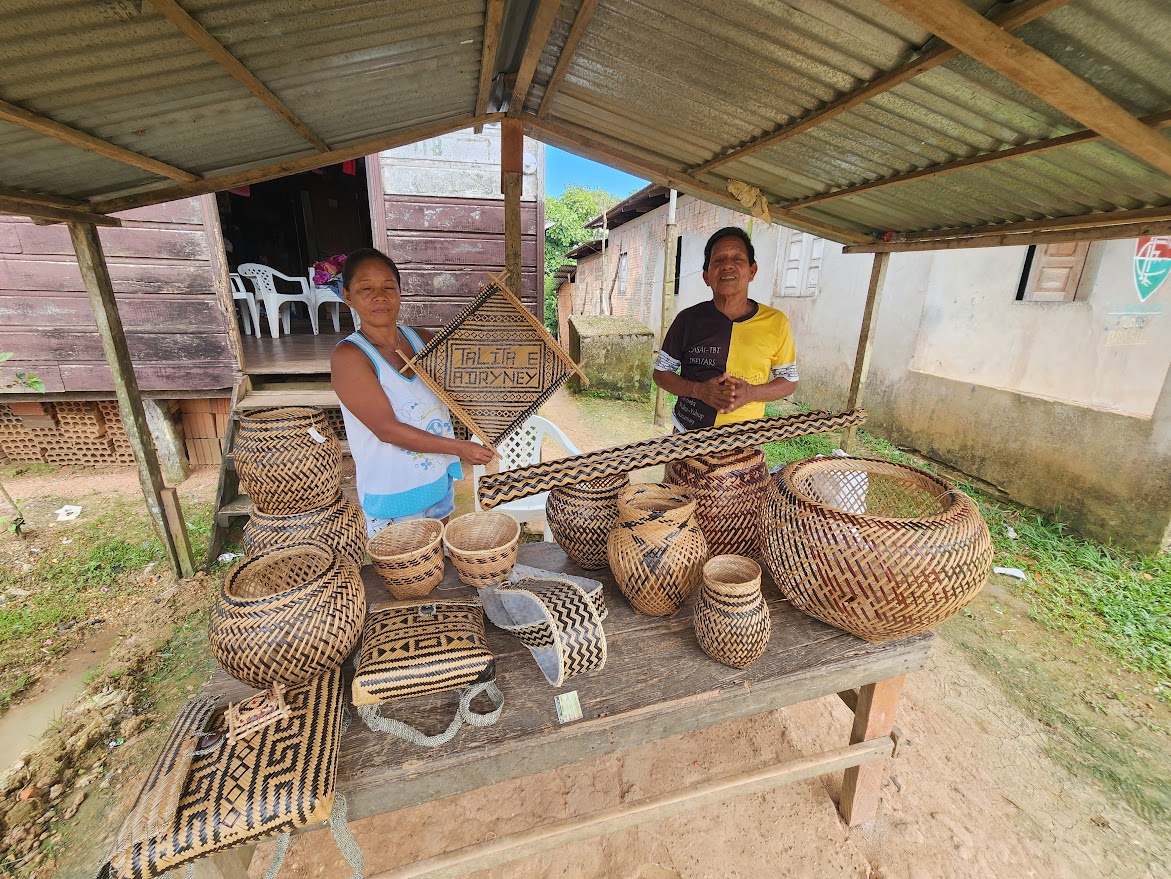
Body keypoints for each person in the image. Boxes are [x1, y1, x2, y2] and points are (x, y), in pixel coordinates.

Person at [331, 247, 495, 537]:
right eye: (366, 289)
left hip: (436, 481)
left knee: (440, 556)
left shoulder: (422, 339)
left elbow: (465, 377)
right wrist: (460, 448)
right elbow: (387, 430)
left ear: (399, 292)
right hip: (394, 492)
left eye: (388, 287)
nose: (379, 296)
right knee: (406, 564)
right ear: (348, 296)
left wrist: (485, 317)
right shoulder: (350, 357)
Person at [653, 227, 798, 432]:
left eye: (737, 258)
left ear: (752, 271)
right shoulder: (687, 320)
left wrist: (751, 393)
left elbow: (789, 381)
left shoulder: (776, 322)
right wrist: (699, 390)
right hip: (687, 435)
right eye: (718, 260)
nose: (728, 265)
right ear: (706, 276)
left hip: (746, 439)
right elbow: (661, 374)